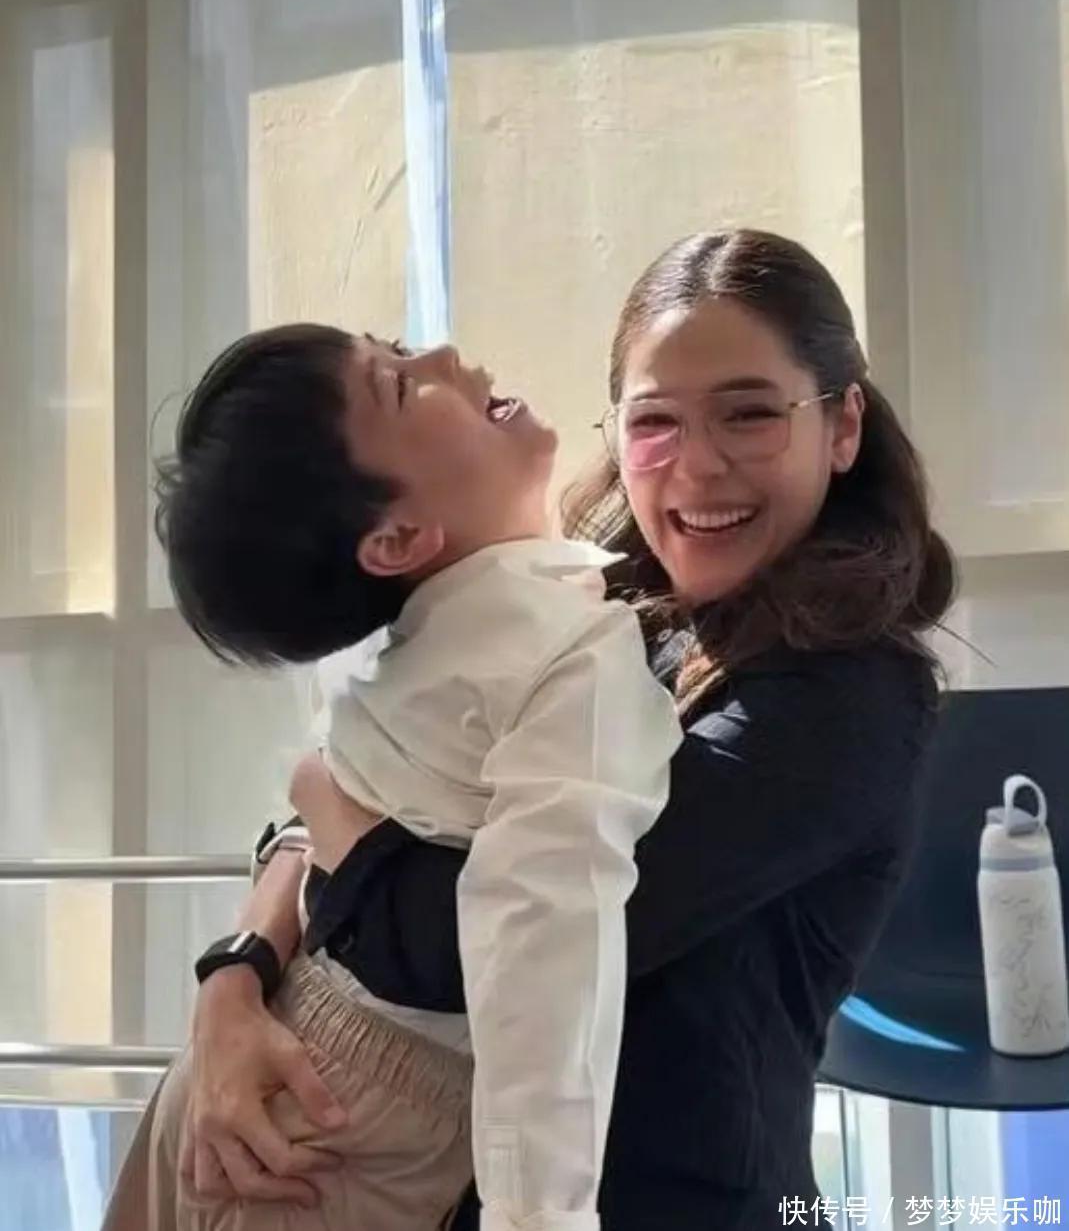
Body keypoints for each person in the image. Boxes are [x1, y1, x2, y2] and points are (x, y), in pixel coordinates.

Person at [167, 230, 957, 1230]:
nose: (698, 464)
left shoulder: (845, 696)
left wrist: (322, 796)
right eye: (655, 420)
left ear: (840, 426)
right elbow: (390, 781)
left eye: (750, 413)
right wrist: (237, 973)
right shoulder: (573, 601)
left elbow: (479, 945)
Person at [102, 322, 681, 1231]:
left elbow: (323, 807)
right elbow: (542, 948)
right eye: (402, 384)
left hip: (262, 1083)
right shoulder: (565, 652)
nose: (445, 356)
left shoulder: (427, 639)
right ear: (398, 536)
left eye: (402, 349)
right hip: (327, 1133)